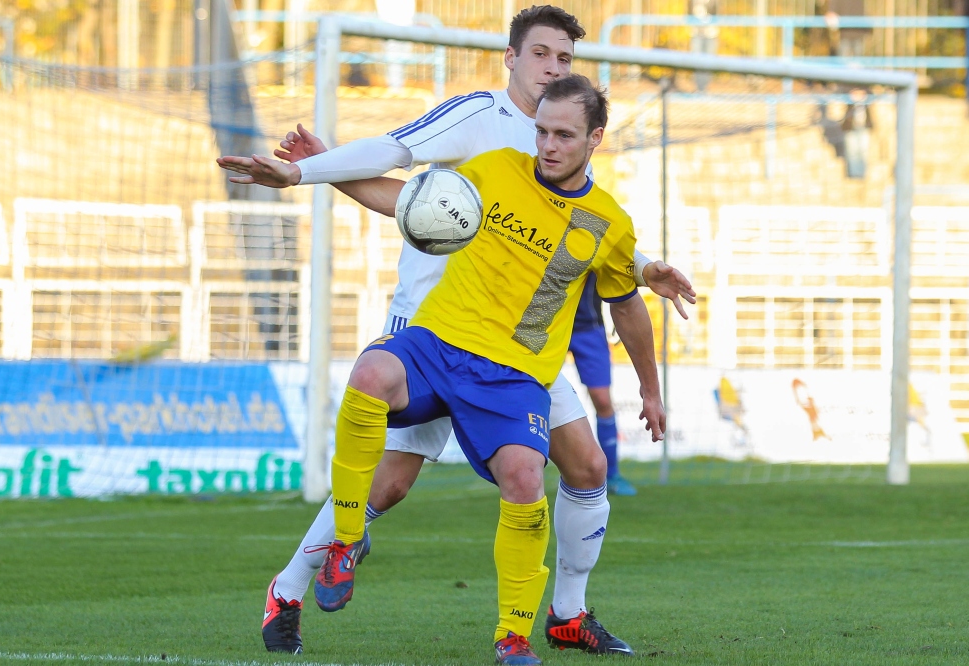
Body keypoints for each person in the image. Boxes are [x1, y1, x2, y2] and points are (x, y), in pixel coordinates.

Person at [218, 5, 695, 657]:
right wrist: (310, 173)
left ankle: (566, 614)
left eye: (564, 59)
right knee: (390, 482)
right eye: (541, 54)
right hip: (435, 328)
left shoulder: (557, 139)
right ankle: (292, 587)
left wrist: (644, 267)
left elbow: (583, 231)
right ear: (511, 57)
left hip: (522, 345)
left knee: (586, 464)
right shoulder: (482, 122)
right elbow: (396, 158)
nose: (552, 67)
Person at [315, 74, 662, 665]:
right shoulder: (496, 168)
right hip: (440, 341)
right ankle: (346, 539)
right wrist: (318, 169)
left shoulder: (608, 222)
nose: (547, 146)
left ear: (594, 139)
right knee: (370, 373)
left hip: (511, 375)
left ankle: (514, 637)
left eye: (563, 135)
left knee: (528, 480)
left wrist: (650, 392)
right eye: (542, 131)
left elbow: (627, 306)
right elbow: (408, 200)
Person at [569, 274, 637, 496]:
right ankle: (523, 469)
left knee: (603, 400)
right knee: (532, 393)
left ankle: (613, 475)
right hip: (544, 325)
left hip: (588, 327)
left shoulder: (597, 240)